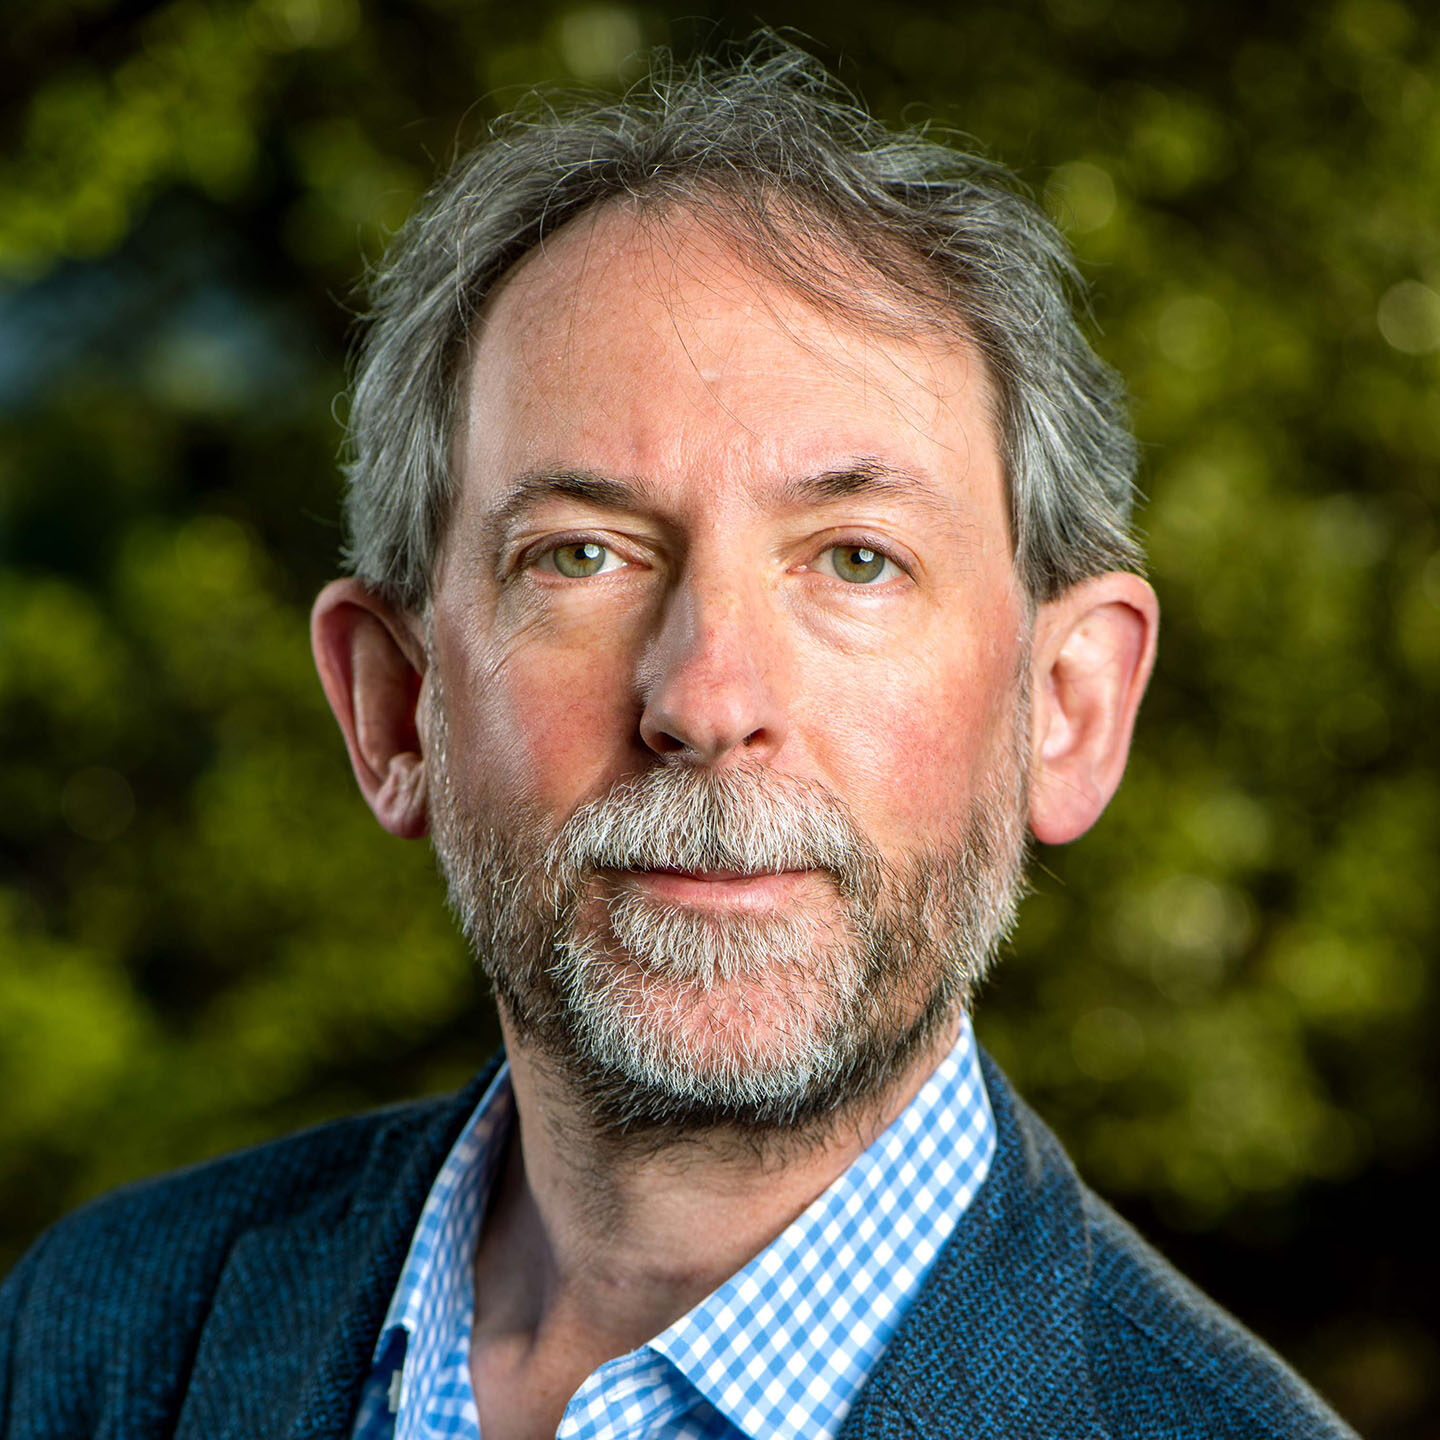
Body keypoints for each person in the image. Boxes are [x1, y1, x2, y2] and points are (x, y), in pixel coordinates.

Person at [0, 39, 1356, 1440]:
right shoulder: (91, 1339)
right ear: (396, 705)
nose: (706, 700)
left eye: (855, 560)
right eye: (582, 555)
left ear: (1065, 708)